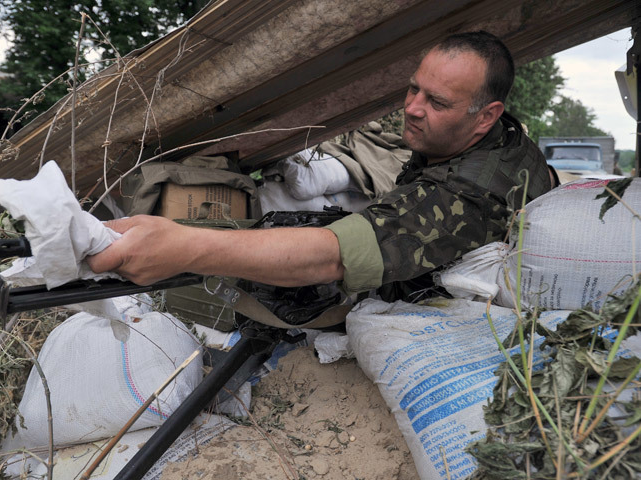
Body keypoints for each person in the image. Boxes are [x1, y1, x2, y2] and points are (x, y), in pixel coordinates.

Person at [87, 31, 552, 302]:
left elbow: (338, 255)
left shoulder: (473, 191)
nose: (412, 107)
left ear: (486, 115)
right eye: (414, 89)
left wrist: (189, 248)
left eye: (436, 101)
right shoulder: (483, 133)